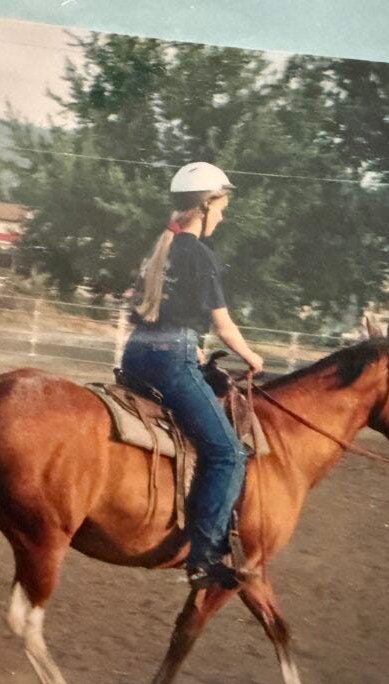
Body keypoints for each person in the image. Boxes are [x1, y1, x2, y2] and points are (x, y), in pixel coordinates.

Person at [121, 161, 264, 591]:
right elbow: (225, 326)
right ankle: (204, 557)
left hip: (136, 355)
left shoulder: (160, 247)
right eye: (221, 207)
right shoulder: (199, 254)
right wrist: (252, 357)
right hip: (171, 361)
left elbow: (150, 311)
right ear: (204, 205)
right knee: (228, 453)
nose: (222, 216)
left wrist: (189, 339)